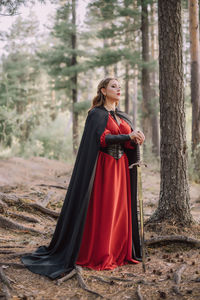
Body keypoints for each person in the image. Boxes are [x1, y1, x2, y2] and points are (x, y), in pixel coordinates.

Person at [21, 77, 145, 280]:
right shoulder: (96, 115)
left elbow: (128, 144)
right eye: (114, 86)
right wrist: (128, 137)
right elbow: (102, 140)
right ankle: (100, 253)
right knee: (104, 209)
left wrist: (136, 139)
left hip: (121, 169)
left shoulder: (123, 117)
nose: (118, 89)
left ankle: (118, 252)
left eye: (119, 86)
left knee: (119, 211)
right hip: (104, 169)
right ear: (103, 91)